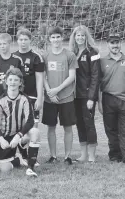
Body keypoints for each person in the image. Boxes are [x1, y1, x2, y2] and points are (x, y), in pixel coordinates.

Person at [98, 33, 125, 164]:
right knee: (111, 129)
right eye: (112, 42)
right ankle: (115, 155)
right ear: (108, 45)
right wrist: (99, 102)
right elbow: (98, 84)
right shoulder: (102, 61)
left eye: (117, 42)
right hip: (108, 99)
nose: (115, 45)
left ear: (120, 43)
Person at [0, 67, 40, 177]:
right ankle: (18, 159)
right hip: (6, 137)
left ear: (20, 82)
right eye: (10, 80)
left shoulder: (25, 99)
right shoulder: (0, 101)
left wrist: (18, 136)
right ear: (6, 81)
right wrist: (1, 139)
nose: (13, 82)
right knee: (4, 169)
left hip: (19, 135)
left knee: (35, 132)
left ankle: (30, 167)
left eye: (16, 80)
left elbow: (30, 121)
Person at [42, 26, 78, 165]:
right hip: (50, 98)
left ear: (62, 37)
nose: (56, 40)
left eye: (58, 37)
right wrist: (50, 92)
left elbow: (72, 77)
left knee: (67, 128)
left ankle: (67, 156)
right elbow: (43, 77)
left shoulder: (69, 55)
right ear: (49, 39)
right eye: (53, 37)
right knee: (51, 127)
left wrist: (57, 89)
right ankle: (53, 156)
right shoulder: (45, 56)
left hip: (66, 97)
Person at [69, 25, 101, 163]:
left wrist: (91, 97)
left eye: (82, 35)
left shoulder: (93, 52)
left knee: (89, 123)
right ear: (74, 37)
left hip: (87, 95)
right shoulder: (72, 52)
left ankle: (92, 156)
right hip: (74, 95)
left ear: (86, 37)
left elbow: (96, 76)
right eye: (78, 35)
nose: (80, 38)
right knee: (79, 124)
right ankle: (83, 155)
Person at [13, 28, 44, 165]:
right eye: (21, 39)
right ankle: (22, 155)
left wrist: (40, 97)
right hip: (18, 99)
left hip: (32, 97)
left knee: (33, 129)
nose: (23, 42)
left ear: (30, 40)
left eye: (26, 39)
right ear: (17, 40)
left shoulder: (36, 57)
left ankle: (31, 156)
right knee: (19, 127)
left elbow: (39, 79)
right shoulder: (13, 57)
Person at [0, 33, 24, 100]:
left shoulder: (17, 60)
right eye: (0, 44)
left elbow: (21, 80)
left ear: (10, 44)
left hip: (13, 97)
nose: (2, 46)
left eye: (4, 44)